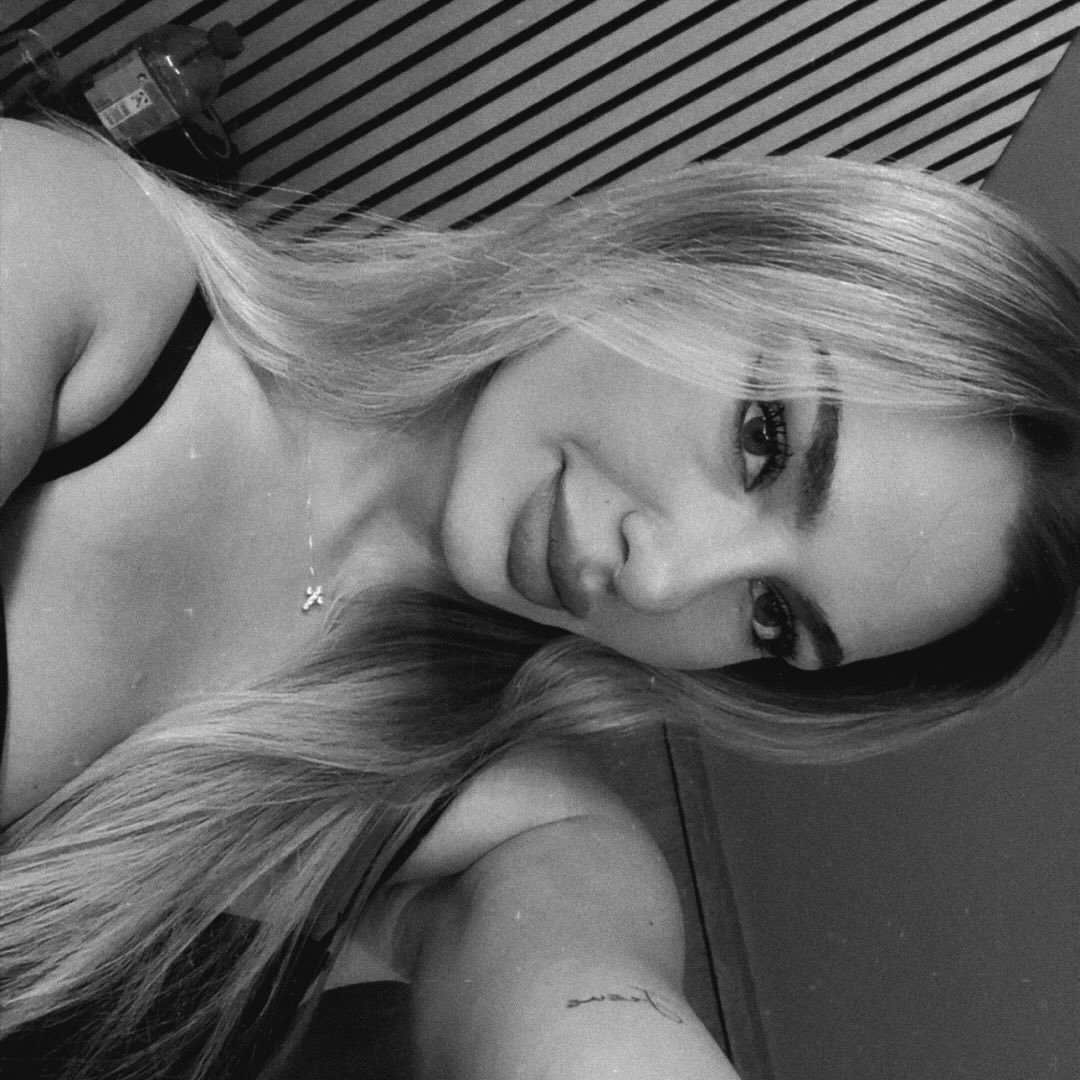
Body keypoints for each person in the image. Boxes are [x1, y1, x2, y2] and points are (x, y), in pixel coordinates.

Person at [1, 115, 1078, 1080]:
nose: (662, 577)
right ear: (702, 252)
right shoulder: (82, 256)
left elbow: (586, 1009)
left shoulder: (513, 829)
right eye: (764, 439)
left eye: (772, 617)